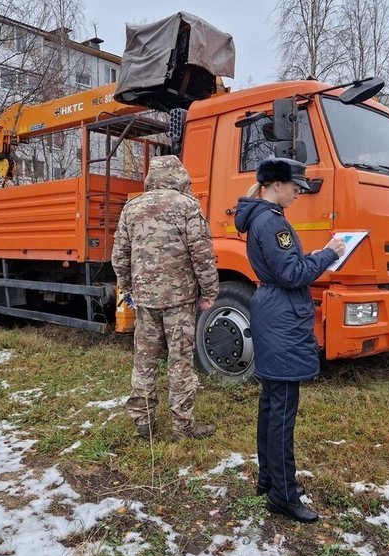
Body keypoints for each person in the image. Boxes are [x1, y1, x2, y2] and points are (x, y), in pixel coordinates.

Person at [234, 157, 346, 523]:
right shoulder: (272, 222)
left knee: (272, 404)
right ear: (275, 185)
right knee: (282, 410)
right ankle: (283, 494)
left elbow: (285, 268)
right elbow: (292, 273)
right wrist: (329, 254)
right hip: (282, 315)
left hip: (274, 310)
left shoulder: (262, 218)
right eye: (295, 186)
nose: (299, 192)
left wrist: (307, 258)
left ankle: (269, 480)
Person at [112, 155, 219, 442]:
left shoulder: (131, 208)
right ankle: (182, 426)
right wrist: (209, 292)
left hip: (145, 298)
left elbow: (120, 254)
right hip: (179, 298)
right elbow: (202, 254)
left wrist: (127, 287)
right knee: (180, 360)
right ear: (179, 175)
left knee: (144, 359)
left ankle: (143, 422)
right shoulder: (187, 206)